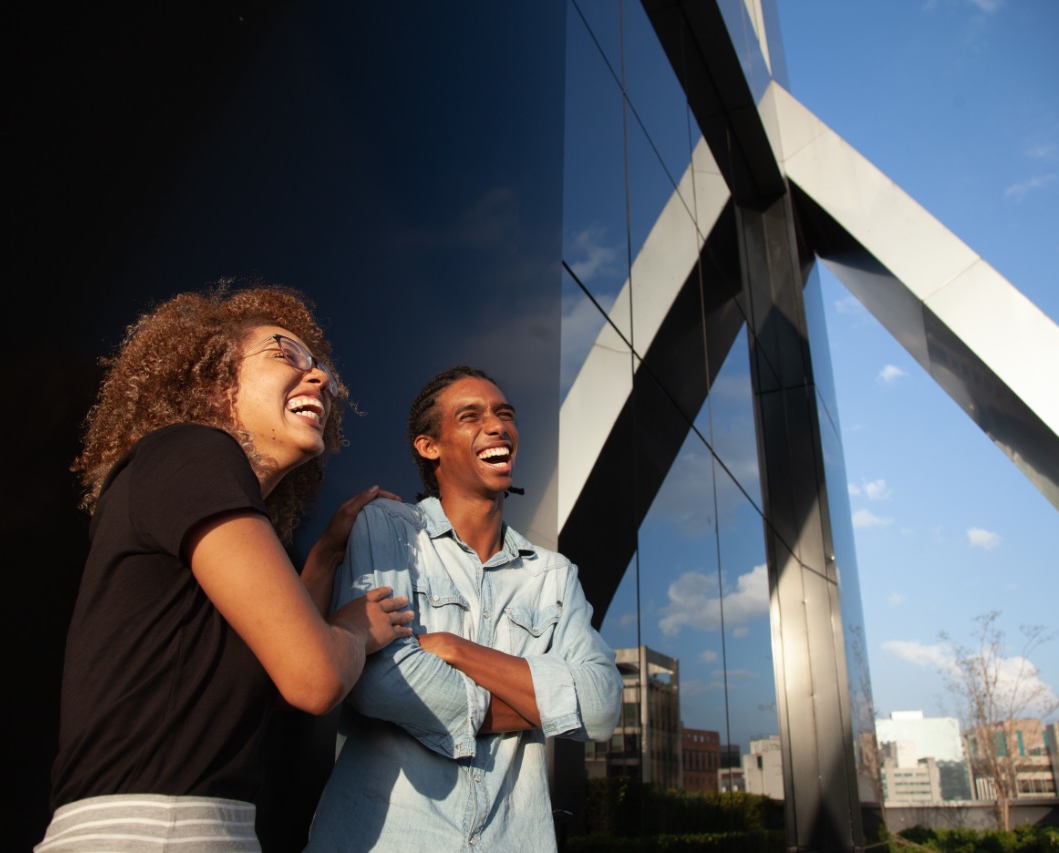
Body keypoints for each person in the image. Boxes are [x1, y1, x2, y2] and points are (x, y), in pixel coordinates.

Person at [37, 280, 414, 852]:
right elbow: (313, 679)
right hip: (157, 832)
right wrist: (358, 630)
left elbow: (278, 672)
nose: (319, 379)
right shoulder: (194, 449)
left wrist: (325, 556)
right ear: (213, 385)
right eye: (284, 355)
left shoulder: (196, 497)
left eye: (323, 371)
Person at [305, 366, 623, 852]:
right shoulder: (389, 529)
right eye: (470, 416)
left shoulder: (553, 575)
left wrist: (457, 650)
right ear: (429, 446)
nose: (497, 426)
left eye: (504, 414)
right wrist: (543, 706)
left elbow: (601, 705)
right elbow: (380, 683)